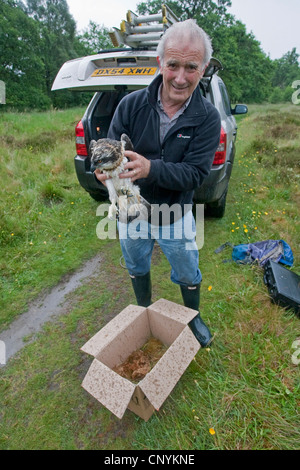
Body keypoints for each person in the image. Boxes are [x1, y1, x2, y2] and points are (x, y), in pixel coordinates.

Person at [94, 19, 221, 348]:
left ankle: (193, 319)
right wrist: (105, 169)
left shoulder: (207, 118)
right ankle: (144, 311)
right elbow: (110, 148)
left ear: (203, 67)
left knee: (186, 267)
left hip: (174, 214)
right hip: (131, 212)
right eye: (174, 64)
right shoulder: (130, 105)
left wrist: (151, 168)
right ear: (160, 62)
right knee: (136, 263)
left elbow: (195, 174)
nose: (180, 77)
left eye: (191, 67)